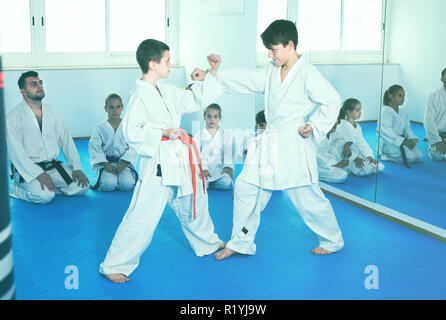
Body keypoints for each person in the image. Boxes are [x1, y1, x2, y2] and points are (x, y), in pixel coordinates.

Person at [192, 20, 344, 260]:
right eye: (269, 50)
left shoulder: (307, 73)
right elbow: (247, 78)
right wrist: (213, 75)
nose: (270, 55)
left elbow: (333, 100)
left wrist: (313, 126)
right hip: (269, 140)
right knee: (246, 188)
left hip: (293, 142)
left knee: (306, 196)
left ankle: (332, 239)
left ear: (290, 45)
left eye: (274, 49)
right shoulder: (272, 70)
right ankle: (240, 241)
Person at [99, 39, 224, 283]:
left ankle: (208, 242)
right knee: (143, 214)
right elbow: (131, 132)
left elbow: (191, 100)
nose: (170, 64)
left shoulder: (165, 89)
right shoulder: (139, 95)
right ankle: (114, 264)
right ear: (153, 64)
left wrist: (206, 76)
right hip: (157, 162)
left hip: (177, 158)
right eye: (167, 60)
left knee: (192, 201)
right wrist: (164, 132)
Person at [6, 71, 89, 204]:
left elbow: (67, 140)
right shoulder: (12, 117)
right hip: (27, 170)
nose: (39, 86)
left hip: (52, 167)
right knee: (45, 197)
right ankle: (18, 189)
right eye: (34, 84)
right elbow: (16, 153)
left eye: (40, 83)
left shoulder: (53, 112)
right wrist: (37, 174)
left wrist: (77, 167)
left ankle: (48, 188)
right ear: (23, 91)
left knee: (82, 187)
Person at [89, 93, 138, 192]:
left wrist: (124, 162)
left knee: (127, 185)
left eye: (117, 107)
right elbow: (95, 148)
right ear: (105, 108)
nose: (115, 110)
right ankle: (107, 177)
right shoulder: (99, 128)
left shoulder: (128, 126)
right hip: (107, 163)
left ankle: (123, 176)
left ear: (122, 107)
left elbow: (134, 146)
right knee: (108, 186)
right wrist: (105, 164)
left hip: (124, 163)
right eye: (111, 107)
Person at [329, 98, 384, 176]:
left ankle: (358, 164)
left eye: (360, 110)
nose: (360, 112)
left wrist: (369, 157)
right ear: (348, 112)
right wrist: (354, 158)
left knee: (378, 166)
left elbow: (362, 143)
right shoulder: (343, 125)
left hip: (354, 152)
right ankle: (347, 168)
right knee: (366, 170)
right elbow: (344, 147)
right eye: (357, 110)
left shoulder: (357, 127)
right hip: (343, 155)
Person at [378, 85, 422, 167]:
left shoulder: (403, 112)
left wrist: (411, 139)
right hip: (389, 142)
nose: (403, 99)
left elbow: (407, 128)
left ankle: (402, 149)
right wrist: (404, 142)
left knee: (419, 156)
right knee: (411, 158)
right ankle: (385, 154)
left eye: (404, 96)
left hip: (402, 140)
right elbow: (387, 132)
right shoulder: (385, 112)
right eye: (399, 96)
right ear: (391, 96)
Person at [193, 104, 234, 190]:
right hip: (204, 169)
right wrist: (203, 169)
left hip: (219, 171)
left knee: (227, 183)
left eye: (215, 117)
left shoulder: (225, 134)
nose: (212, 119)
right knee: (200, 184)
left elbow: (228, 153)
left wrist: (227, 167)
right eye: (209, 116)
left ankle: (213, 184)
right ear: (204, 117)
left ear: (219, 118)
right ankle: (206, 183)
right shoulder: (199, 135)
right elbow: (195, 154)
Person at [424, 67, 446, 161]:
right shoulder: (434, 97)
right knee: (438, 156)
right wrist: (437, 141)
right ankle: (432, 143)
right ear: (442, 79)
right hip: (438, 134)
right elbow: (428, 121)